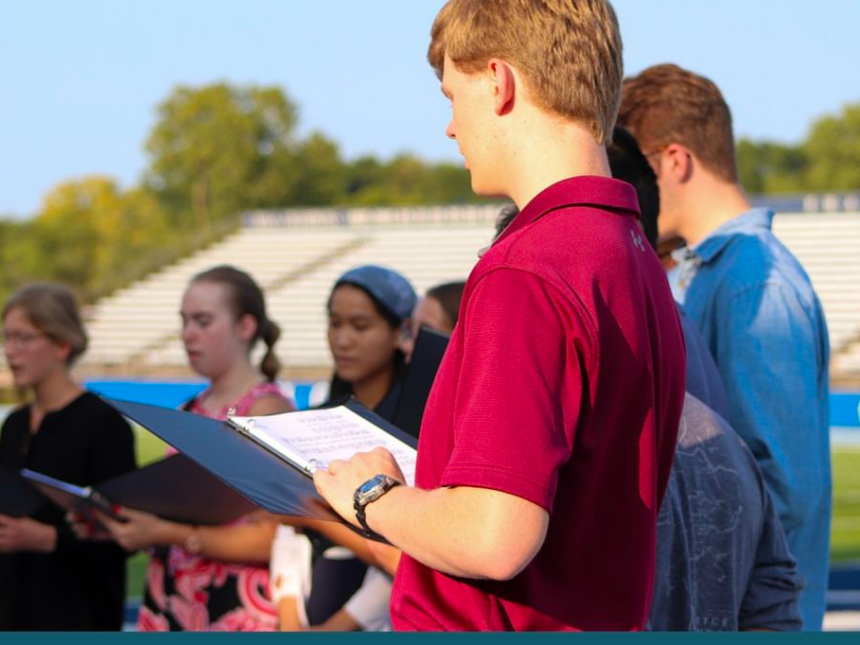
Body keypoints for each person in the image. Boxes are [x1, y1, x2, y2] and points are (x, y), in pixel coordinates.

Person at [313, 0, 687, 631]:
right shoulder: (631, 253)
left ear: (498, 82)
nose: (450, 128)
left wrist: (372, 498)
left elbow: (495, 537)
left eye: (451, 97)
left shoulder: (528, 267)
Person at [618, 64, 832, 630]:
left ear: (673, 161)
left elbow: (783, 489)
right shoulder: (721, 274)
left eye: (634, 169)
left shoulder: (754, 282)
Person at [93, 265, 294, 631]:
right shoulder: (190, 408)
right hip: (172, 598)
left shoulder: (265, 410)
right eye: (184, 321)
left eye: (203, 321)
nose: (188, 334)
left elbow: (271, 537)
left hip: (233, 606)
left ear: (245, 327)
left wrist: (164, 533)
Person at [270, 265, 417, 631]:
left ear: (401, 332)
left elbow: (408, 553)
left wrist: (309, 513)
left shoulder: (419, 427)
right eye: (335, 324)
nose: (342, 339)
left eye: (360, 326)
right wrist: (289, 617)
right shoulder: (315, 419)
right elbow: (287, 531)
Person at [0, 283, 136, 630]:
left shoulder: (104, 424)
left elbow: (127, 535)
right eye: (7, 338)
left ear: (62, 344)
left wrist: (47, 538)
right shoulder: (15, 424)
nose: (10, 351)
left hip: (78, 616)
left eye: (23, 338)